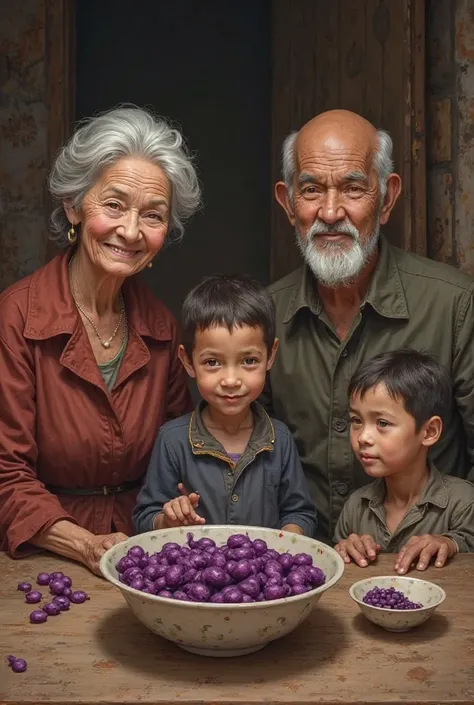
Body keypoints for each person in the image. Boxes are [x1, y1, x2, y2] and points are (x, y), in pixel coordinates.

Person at [0, 106, 201, 574]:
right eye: (113, 205)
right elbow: (5, 476)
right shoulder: (15, 318)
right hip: (44, 554)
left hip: (141, 553)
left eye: (152, 216)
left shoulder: (161, 328)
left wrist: (176, 510)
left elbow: (178, 456)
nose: (130, 231)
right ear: (74, 204)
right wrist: (86, 546)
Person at [262, 108, 474, 544]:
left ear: (387, 197)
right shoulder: (264, 316)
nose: (331, 211)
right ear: (288, 203)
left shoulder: (454, 304)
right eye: (311, 190)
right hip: (300, 571)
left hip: (431, 574)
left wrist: (457, 540)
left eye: (353, 187)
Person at [133, 274, 317, 536]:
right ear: (187, 361)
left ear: (270, 355)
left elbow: (300, 512)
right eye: (212, 362)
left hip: (263, 574)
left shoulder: (280, 439)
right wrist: (167, 519)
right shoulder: (172, 441)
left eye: (249, 361)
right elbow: (145, 516)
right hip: (194, 574)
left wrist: (287, 539)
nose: (231, 380)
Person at [334, 350, 474, 574]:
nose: (362, 437)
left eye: (382, 422)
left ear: (429, 431)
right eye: (356, 420)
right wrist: (344, 548)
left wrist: (450, 543)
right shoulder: (355, 507)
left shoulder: (464, 504)